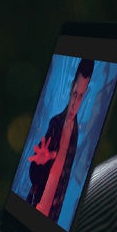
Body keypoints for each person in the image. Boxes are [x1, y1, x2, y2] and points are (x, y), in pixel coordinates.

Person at [25, 58, 94, 221]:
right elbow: (34, 177)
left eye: (81, 97)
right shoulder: (55, 123)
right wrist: (39, 163)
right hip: (35, 208)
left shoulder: (76, 133)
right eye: (75, 94)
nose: (75, 104)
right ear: (71, 90)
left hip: (51, 218)